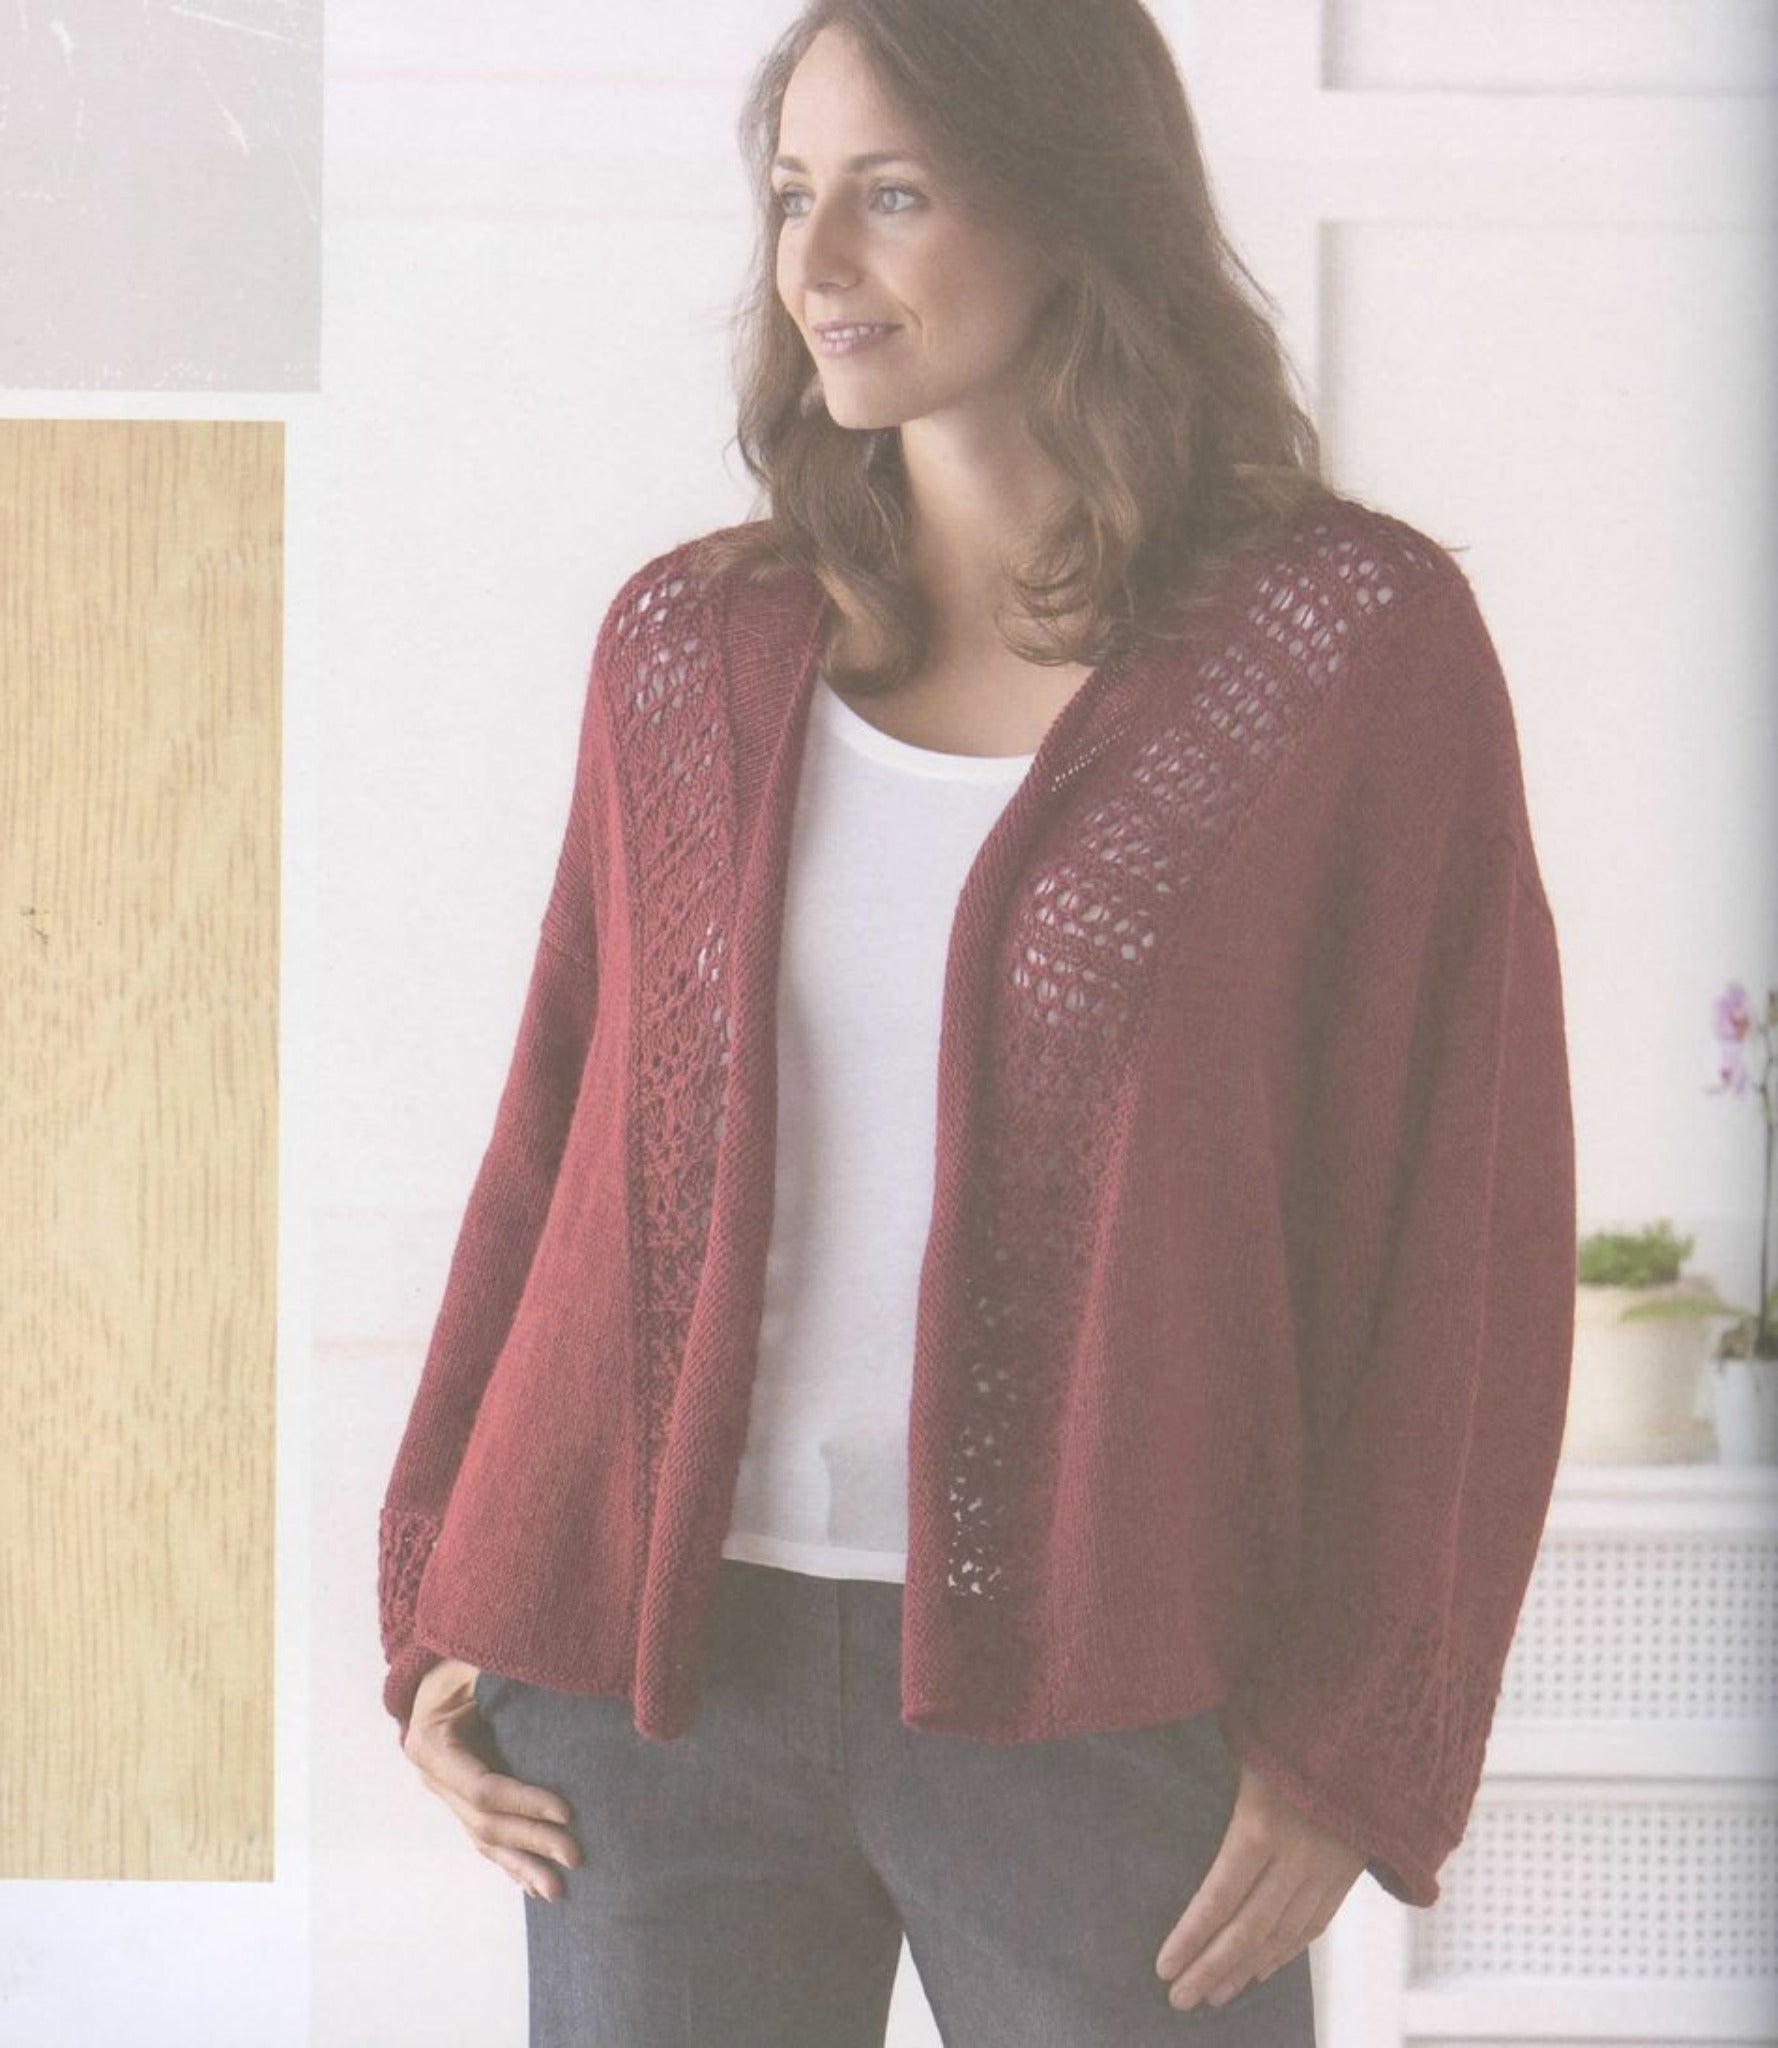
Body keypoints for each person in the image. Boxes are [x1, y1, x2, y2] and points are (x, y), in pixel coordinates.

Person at [377, 1, 1577, 2042]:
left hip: (1115, 1703)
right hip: (657, 1701)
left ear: (1075, 211)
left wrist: (1356, 1730)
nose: (816, 265)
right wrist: (439, 1593)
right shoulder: (690, 644)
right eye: (790, 198)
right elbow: (556, 1138)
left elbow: (1459, 1227)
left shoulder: (1341, 652)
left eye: (895, 195)